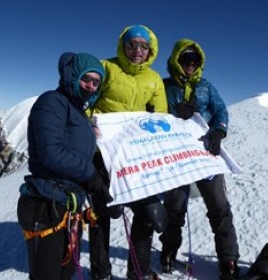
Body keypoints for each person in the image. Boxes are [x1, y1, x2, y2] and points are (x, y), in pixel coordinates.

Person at [17, 52, 112, 280]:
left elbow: (76, 152)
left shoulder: (79, 112)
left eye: (95, 82)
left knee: (66, 271)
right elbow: (52, 153)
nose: (90, 86)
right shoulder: (52, 102)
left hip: (69, 205)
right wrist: (90, 176)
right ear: (72, 76)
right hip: (46, 204)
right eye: (85, 79)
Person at [88, 24, 168, 280]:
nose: (137, 50)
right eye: (132, 44)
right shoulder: (107, 67)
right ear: (123, 45)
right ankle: (101, 273)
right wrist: (89, 123)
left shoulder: (154, 79)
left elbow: (161, 116)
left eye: (143, 46)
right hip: (103, 154)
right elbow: (87, 99)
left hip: (135, 156)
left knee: (145, 214)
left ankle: (138, 272)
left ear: (150, 49)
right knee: (102, 214)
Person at [159, 39, 240, 280]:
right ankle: (169, 250)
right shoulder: (164, 86)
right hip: (176, 155)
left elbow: (220, 110)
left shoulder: (206, 87)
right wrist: (175, 114)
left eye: (195, 60)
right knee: (174, 206)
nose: (191, 64)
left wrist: (219, 131)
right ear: (176, 59)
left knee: (219, 206)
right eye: (186, 59)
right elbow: (152, 113)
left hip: (205, 154)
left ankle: (229, 260)